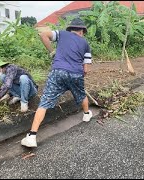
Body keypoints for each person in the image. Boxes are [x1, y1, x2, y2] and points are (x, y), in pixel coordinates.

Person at [21, 17, 93, 147]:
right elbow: (86, 69)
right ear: (82, 31)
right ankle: (87, 114)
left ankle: (32, 136)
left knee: (45, 101)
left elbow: (43, 35)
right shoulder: (85, 44)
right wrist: (79, 76)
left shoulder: (61, 34)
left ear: (71, 29)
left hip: (58, 72)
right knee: (81, 94)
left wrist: (52, 52)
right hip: (76, 73)